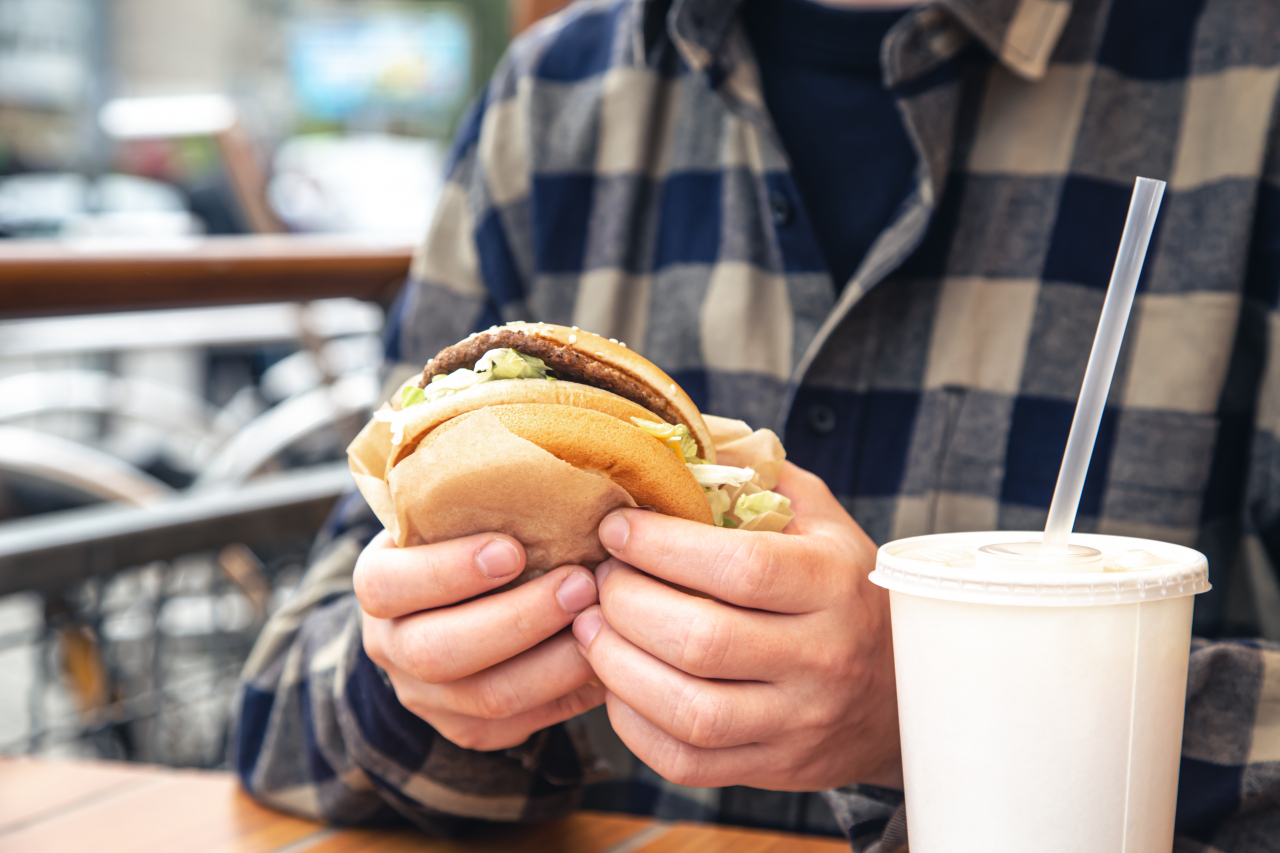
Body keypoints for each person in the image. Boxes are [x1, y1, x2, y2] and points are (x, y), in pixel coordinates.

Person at [233, 0, 1280, 849]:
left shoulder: (1248, 79)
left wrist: (922, 706)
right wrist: (422, 686)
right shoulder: (550, 100)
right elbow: (279, 717)